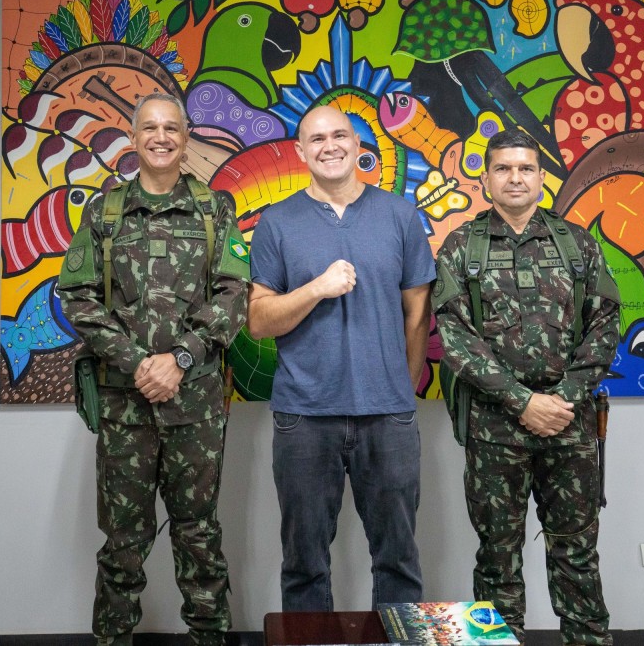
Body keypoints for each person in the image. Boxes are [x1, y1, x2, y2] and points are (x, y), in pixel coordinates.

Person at [58, 92, 250, 646]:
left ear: (186, 138)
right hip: (125, 407)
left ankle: (209, 638)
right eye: (150, 128)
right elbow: (78, 297)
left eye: (171, 128)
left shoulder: (215, 210)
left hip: (196, 408)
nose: (161, 137)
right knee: (122, 543)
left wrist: (181, 358)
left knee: (199, 536)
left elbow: (235, 293)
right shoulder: (105, 212)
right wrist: (140, 362)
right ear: (134, 137)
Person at [432, 129, 621, 646]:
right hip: (495, 429)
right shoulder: (462, 247)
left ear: (540, 177)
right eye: (503, 168)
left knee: (577, 553)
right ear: (486, 178)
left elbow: (605, 325)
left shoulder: (577, 244)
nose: (515, 178)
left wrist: (563, 400)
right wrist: (523, 402)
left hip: (570, 426)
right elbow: (455, 338)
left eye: (525, 168)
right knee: (496, 556)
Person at [247, 105, 435, 611]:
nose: (329, 146)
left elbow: (418, 314)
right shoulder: (277, 222)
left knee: (398, 560)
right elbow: (259, 320)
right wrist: (316, 288)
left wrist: (400, 387)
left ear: (357, 144)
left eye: (339, 136)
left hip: (388, 415)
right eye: (317, 139)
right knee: (304, 565)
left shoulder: (399, 215)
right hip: (304, 417)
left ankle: (397, 644)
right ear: (300, 151)